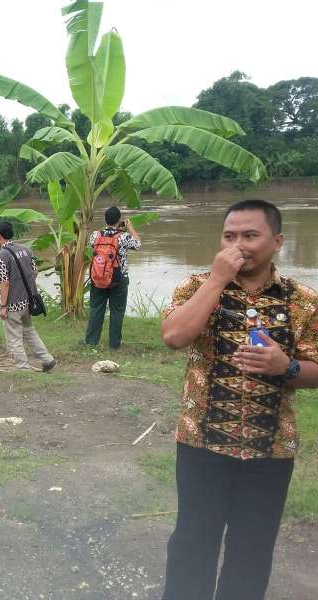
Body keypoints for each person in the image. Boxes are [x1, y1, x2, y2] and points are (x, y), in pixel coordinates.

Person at [160, 199, 318, 600]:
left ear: (277, 241)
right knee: (193, 543)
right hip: (201, 445)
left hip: (270, 452)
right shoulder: (196, 285)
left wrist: (287, 366)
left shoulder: (303, 301)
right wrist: (216, 281)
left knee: (252, 551)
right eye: (230, 236)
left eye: (251, 235)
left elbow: (315, 369)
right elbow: (174, 337)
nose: (239, 244)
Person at [0, 220, 56, 371]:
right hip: (27, 300)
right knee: (29, 331)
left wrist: (3, 306)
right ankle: (47, 359)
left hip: (13, 304)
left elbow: (4, 283)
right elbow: (34, 272)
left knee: (14, 337)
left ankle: (23, 369)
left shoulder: (1, 256)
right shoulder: (26, 249)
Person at [83, 206, 142, 349]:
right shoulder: (123, 237)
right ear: (118, 220)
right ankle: (114, 344)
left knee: (96, 309)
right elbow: (138, 244)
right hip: (118, 279)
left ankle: (91, 341)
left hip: (98, 277)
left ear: (105, 219)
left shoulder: (95, 235)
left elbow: (92, 245)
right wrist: (130, 228)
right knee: (117, 311)